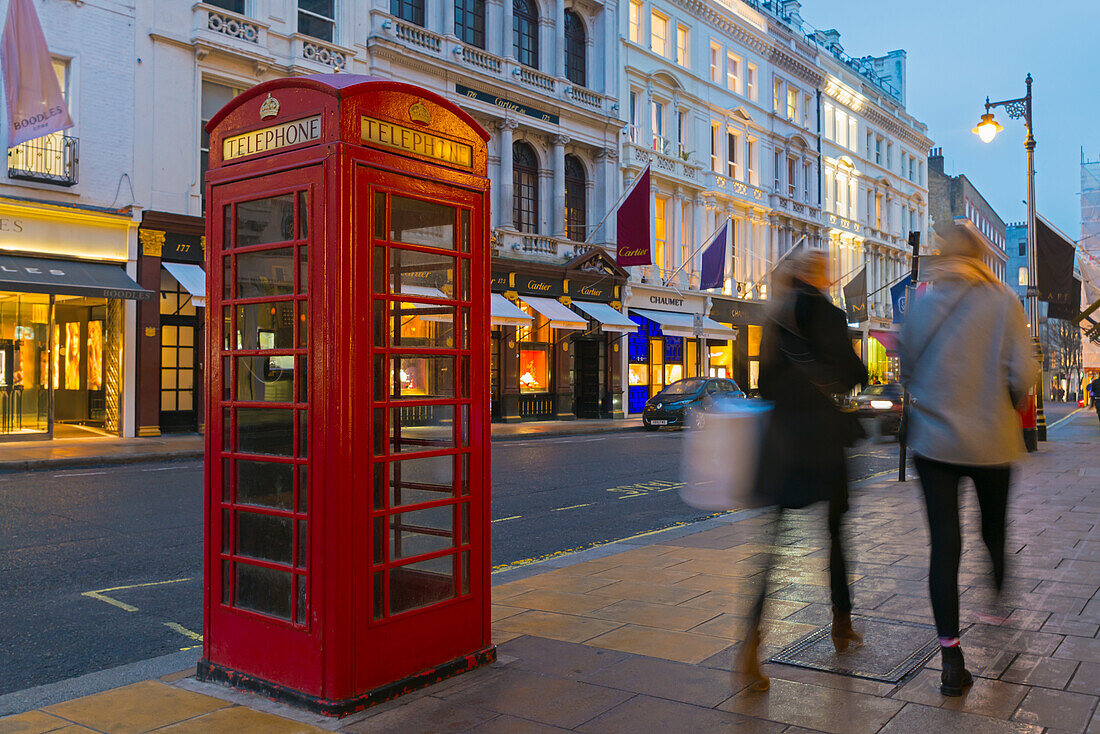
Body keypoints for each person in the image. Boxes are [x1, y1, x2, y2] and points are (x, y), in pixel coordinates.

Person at [900, 227, 1039, 697]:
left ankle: (951, 658)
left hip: (935, 442)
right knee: (993, 528)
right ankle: (998, 591)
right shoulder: (1004, 302)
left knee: (945, 546)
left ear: (943, 255)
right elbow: (1024, 373)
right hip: (989, 440)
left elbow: (907, 366)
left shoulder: (924, 303)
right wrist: (1004, 398)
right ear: (982, 256)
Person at [737, 248, 868, 692]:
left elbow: (765, 384)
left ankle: (751, 644)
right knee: (835, 534)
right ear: (818, 276)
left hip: (782, 443)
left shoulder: (775, 321)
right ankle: (841, 622)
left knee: (773, 548)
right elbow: (855, 372)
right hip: (823, 443)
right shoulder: (828, 315)